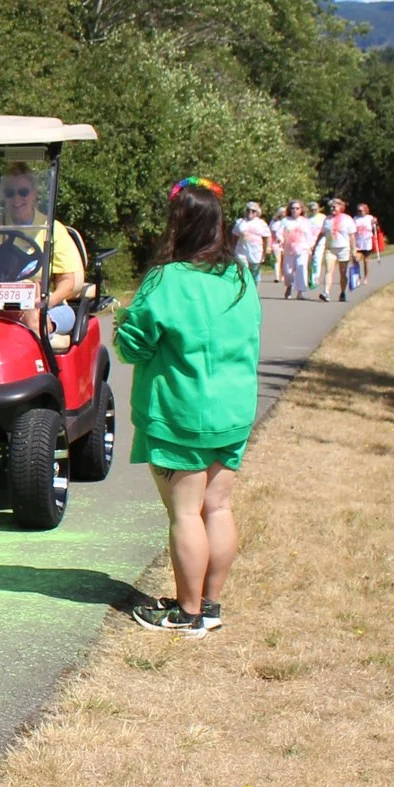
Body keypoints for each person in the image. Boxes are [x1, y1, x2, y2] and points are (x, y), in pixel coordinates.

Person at [116, 177, 262, 635]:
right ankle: (210, 606)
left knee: (184, 512)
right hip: (233, 410)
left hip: (180, 413)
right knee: (217, 509)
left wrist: (121, 320)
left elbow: (132, 346)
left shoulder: (165, 279)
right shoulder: (239, 275)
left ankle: (187, 612)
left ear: (177, 224)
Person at [0, 165, 88, 334]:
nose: (16, 199)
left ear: (34, 194)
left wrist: (45, 302)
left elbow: (68, 281)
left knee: (34, 321)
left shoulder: (52, 229)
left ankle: (39, 355)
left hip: (48, 305)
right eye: (10, 193)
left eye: (23, 192)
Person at [277, 200, 318, 300]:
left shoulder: (306, 221)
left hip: (302, 249)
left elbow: (311, 236)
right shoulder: (285, 221)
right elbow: (279, 233)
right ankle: (289, 286)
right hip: (288, 250)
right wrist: (281, 239)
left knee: (301, 269)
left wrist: (310, 246)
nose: (294, 210)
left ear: (301, 210)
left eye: (297, 208)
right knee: (287, 272)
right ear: (289, 210)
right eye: (292, 208)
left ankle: (300, 292)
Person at [322, 197, 355, 301]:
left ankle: (342, 292)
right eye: (331, 206)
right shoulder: (327, 219)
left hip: (343, 248)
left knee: (343, 272)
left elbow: (352, 236)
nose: (333, 207)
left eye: (335, 205)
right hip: (330, 249)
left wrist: (353, 250)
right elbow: (323, 233)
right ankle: (326, 292)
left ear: (341, 207)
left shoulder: (347, 219)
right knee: (328, 270)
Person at [236, 201, 272, 282]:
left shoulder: (261, 223)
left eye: (253, 211)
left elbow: (266, 237)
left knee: (254, 272)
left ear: (257, 212)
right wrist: (231, 248)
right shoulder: (240, 222)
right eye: (248, 210)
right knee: (243, 270)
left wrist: (266, 250)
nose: (250, 212)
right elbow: (233, 236)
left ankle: (254, 290)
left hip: (256, 251)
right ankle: (244, 289)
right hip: (241, 251)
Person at [352, 201, 380, 283]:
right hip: (358, 243)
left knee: (366, 261)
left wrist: (376, 223)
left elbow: (377, 229)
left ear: (365, 210)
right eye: (358, 211)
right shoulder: (355, 219)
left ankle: (366, 278)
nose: (359, 212)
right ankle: (357, 276)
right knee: (356, 259)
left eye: (361, 210)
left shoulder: (370, 218)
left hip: (367, 242)